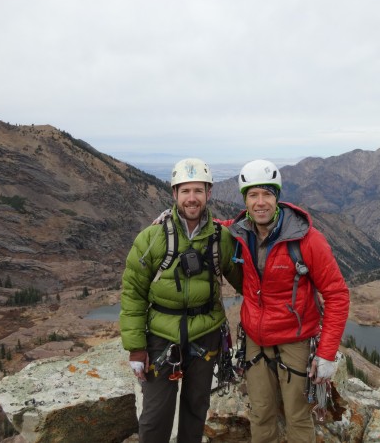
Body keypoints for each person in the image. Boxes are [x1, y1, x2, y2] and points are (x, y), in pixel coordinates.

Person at [120, 157, 243, 443]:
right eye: (185, 191)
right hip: (162, 339)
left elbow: (245, 282)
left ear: (208, 194)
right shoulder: (152, 238)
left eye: (198, 191)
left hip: (206, 337)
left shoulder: (220, 238)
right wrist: (137, 348)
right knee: (155, 416)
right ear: (174, 194)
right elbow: (133, 293)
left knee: (196, 409)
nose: (192, 198)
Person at [227, 159, 350, 442]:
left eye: (267, 194)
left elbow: (336, 294)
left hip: (295, 339)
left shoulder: (306, 239)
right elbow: (211, 225)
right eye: (253, 195)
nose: (260, 202)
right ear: (245, 200)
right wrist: (171, 218)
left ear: (277, 197)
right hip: (256, 340)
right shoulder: (240, 233)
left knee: (297, 415)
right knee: (260, 412)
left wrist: (327, 353)